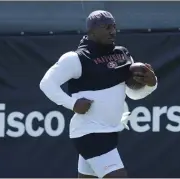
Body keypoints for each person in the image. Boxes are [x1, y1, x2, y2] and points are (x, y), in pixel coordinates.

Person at [39, 10, 158, 178]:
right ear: (92, 31)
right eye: (107, 27)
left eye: (114, 27)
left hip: (109, 132)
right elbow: (47, 84)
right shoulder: (75, 58)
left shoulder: (122, 54)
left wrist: (151, 84)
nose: (112, 31)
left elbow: (133, 94)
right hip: (90, 133)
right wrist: (72, 104)